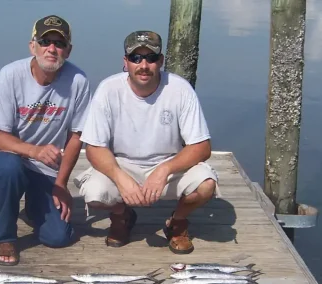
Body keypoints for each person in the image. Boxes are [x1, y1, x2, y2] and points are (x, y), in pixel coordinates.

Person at [74, 30, 219, 254]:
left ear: (160, 61)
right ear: (126, 62)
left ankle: (177, 222)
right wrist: (120, 178)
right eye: (136, 58)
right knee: (94, 194)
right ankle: (122, 216)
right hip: (122, 164)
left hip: (169, 166)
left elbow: (202, 146)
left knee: (206, 185)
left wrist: (164, 170)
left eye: (151, 58)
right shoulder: (107, 89)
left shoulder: (180, 89)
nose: (144, 65)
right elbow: (94, 148)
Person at [0, 15, 91, 265]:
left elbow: (76, 137)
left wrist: (60, 184)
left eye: (59, 43)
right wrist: (34, 151)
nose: (52, 49)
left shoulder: (79, 82)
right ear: (33, 46)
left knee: (58, 237)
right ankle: (4, 237)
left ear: (68, 50)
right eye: (45, 41)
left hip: (44, 166)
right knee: (10, 168)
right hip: (4, 155)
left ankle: (33, 207)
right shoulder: (10, 75)